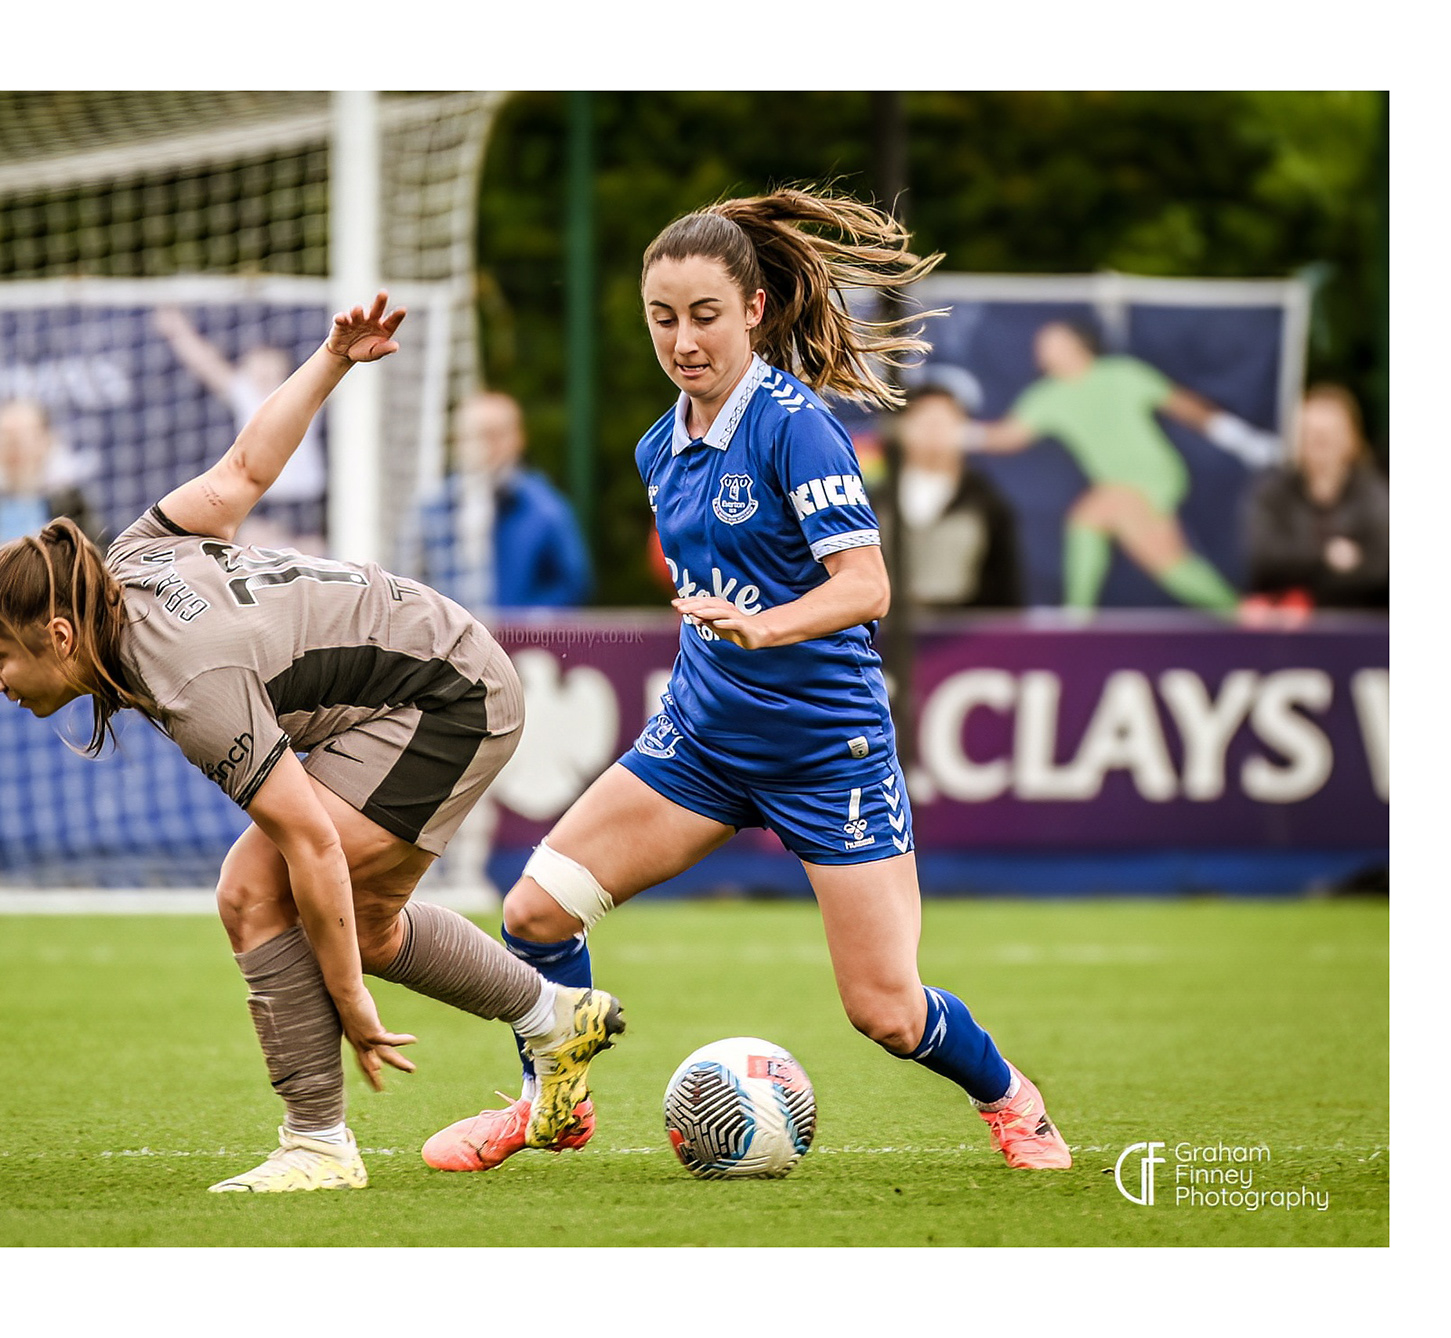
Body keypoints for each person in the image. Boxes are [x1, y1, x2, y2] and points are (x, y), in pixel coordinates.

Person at [423, 188, 1074, 1175]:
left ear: (755, 311)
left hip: (826, 751)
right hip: (703, 741)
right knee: (533, 914)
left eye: (704, 316)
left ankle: (1011, 1099)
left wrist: (767, 625)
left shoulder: (796, 428)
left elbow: (868, 585)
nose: (683, 340)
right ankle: (552, 1103)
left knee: (887, 1013)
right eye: (662, 318)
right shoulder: (659, 447)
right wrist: (730, 643)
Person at [0, 294, 624, 1193]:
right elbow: (243, 468)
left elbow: (309, 841)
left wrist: (349, 1000)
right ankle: (551, 1015)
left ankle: (317, 1145)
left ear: (62, 636)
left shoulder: (189, 679)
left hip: (445, 694)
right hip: (422, 671)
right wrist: (333, 358)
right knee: (370, 928)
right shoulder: (133, 557)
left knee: (258, 891)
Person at [967, 319, 1280, 612]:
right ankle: (1242, 615)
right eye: (1041, 345)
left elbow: (1184, 406)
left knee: (1089, 514)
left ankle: (1075, 620)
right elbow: (1007, 436)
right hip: (1117, 485)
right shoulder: (1047, 397)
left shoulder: (1122, 374)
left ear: (1077, 343)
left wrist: (1243, 440)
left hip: (1156, 477)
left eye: (1051, 341)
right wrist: (953, 434)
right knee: (1169, 564)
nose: (1042, 349)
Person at [153, 306, 326, 552]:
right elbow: (205, 363)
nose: (263, 370)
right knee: (254, 555)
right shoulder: (244, 393)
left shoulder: (303, 393)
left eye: (269, 362)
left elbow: (335, 368)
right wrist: (177, 329)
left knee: (312, 561)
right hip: (261, 495)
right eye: (256, 362)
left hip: (304, 497)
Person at [401, 391, 593, 610]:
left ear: (518, 438)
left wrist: (528, 624)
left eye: (493, 435)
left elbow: (572, 582)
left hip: (518, 640)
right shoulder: (431, 508)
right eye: (471, 435)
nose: (482, 446)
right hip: (446, 637)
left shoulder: (544, 508)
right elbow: (407, 579)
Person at [0, 399, 99, 605]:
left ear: (46, 441)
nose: (15, 448)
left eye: (23, 437)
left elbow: (95, 571)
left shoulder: (72, 507)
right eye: (6, 438)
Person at [879, 384, 1022, 610]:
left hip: (963, 633)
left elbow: (1004, 587)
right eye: (924, 419)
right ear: (900, 429)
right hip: (884, 633)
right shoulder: (874, 501)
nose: (935, 430)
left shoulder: (987, 503)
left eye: (946, 420)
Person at [1246, 384, 1388, 609]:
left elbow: (1382, 568)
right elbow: (1263, 559)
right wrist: (1327, 557)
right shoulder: (1272, 493)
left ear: (1351, 437)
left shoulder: (1375, 496)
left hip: (1362, 624)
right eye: (1309, 435)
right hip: (1288, 628)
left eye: (1326, 436)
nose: (1318, 444)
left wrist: (1306, 569)